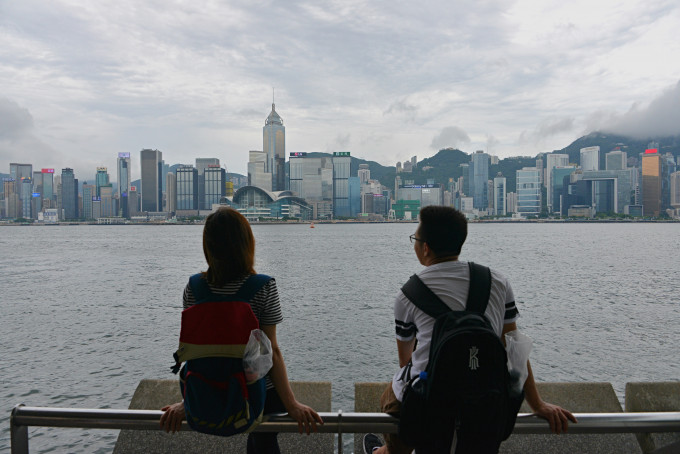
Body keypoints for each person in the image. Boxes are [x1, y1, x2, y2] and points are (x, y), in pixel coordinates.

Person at [364, 206, 576, 454]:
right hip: (486, 399)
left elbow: (405, 361)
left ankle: (388, 451)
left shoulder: (408, 294)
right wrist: (537, 404)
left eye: (415, 239)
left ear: (425, 248)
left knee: (395, 394)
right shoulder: (498, 282)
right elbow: (513, 346)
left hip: (431, 404)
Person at [160, 207, 323, 452]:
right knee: (264, 439)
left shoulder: (193, 288)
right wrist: (292, 404)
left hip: (206, 389)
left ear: (209, 246)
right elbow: (272, 352)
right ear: (246, 243)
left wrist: (187, 402)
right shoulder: (263, 287)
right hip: (257, 393)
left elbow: (197, 351)